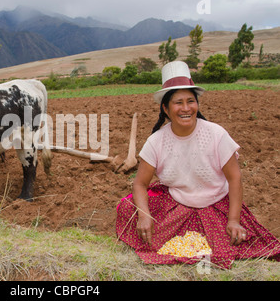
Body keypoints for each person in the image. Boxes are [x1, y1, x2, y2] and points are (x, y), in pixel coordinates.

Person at [116, 61, 280, 269]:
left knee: (231, 245)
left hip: (216, 206)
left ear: (197, 104)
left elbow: (234, 178)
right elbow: (139, 184)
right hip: (175, 205)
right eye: (178, 103)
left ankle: (219, 232)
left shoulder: (216, 134)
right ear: (166, 108)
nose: (186, 108)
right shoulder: (156, 141)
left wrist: (234, 220)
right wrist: (144, 216)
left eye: (190, 101)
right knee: (127, 208)